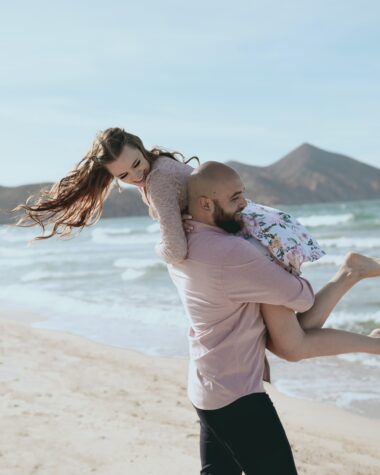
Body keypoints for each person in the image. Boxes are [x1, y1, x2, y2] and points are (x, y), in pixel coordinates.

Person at [166, 162, 380, 474]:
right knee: (291, 345)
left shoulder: (181, 237)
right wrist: (274, 261)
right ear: (205, 204)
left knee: (291, 344)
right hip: (235, 396)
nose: (244, 205)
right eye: (236, 198)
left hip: (206, 385)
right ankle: (353, 278)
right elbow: (303, 297)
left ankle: (356, 287)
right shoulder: (232, 252)